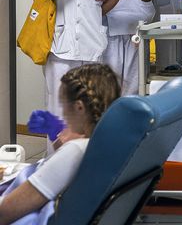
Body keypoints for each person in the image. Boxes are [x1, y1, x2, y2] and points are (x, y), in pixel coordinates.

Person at [0, 64, 121, 223]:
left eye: (63, 104)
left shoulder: (76, 151)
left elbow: (4, 213)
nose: (63, 113)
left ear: (79, 107)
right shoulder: (108, 144)